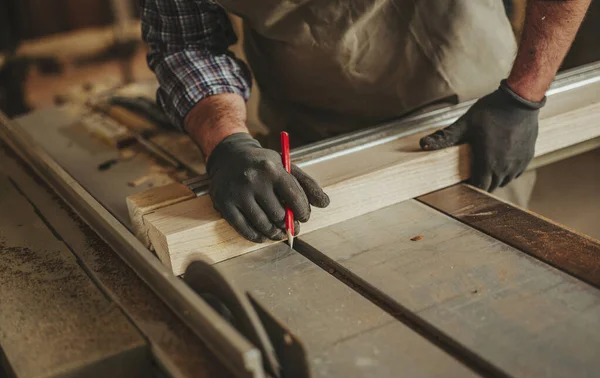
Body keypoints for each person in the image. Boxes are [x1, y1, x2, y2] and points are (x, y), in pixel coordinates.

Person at [141, 0, 592, 243]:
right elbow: (187, 42)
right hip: (311, 134)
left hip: (470, 112)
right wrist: (226, 141)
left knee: (489, 265)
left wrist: (523, 94)